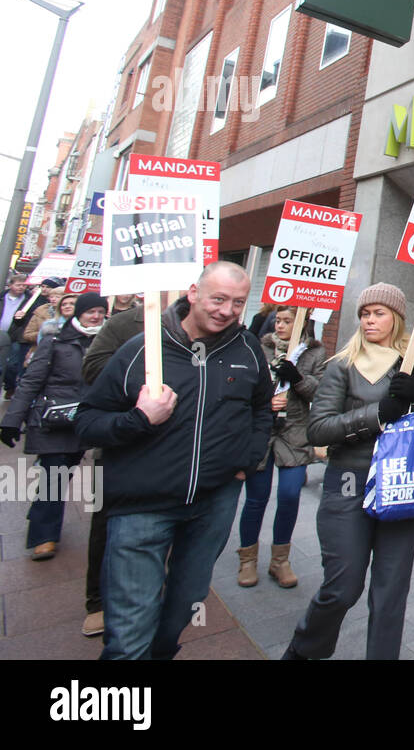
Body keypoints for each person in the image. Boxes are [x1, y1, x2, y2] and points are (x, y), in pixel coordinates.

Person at [77, 262, 273, 660]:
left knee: (186, 604)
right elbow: (87, 422)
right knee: (131, 630)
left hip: (214, 503)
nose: (227, 310)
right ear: (193, 293)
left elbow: (261, 410)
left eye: (237, 302)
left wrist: (248, 459)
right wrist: (139, 419)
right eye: (217, 299)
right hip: (142, 506)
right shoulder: (141, 350)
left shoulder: (249, 348)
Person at [283, 283, 414, 660]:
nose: (370, 321)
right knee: (343, 586)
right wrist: (376, 414)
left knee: (391, 593)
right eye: (365, 314)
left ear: (398, 318)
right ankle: (303, 650)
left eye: (379, 313)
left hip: (401, 487)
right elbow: (318, 429)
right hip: (349, 485)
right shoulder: (342, 364)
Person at [0, 293, 108, 559]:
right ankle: (44, 537)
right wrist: (12, 420)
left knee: (61, 473)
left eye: (100, 312)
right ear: (77, 313)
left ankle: (40, 512)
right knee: (55, 475)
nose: (95, 316)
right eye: (90, 311)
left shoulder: (105, 343)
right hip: (52, 420)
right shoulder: (55, 340)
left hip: (83, 421)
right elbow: (31, 382)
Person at [235, 306, 326, 588]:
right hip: (263, 430)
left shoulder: (315, 353)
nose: (281, 325)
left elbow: (321, 392)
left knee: (289, 494)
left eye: (288, 321)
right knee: (256, 497)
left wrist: (297, 378)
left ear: (302, 324)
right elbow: (243, 388)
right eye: (278, 320)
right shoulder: (260, 348)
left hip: (295, 432)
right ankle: (247, 559)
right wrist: (265, 401)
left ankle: (280, 560)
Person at [78, 293, 147, 638]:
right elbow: (92, 369)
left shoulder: (204, 330)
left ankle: (143, 594)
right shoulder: (124, 324)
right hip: (122, 442)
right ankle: (98, 601)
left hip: (172, 449)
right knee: (107, 524)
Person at [6, 277, 56, 392]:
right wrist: (18, 318)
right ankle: (14, 389)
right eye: (43, 286)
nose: (44, 289)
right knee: (17, 367)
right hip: (26, 340)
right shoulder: (32, 300)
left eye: (48, 287)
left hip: (45, 345)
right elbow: (22, 323)